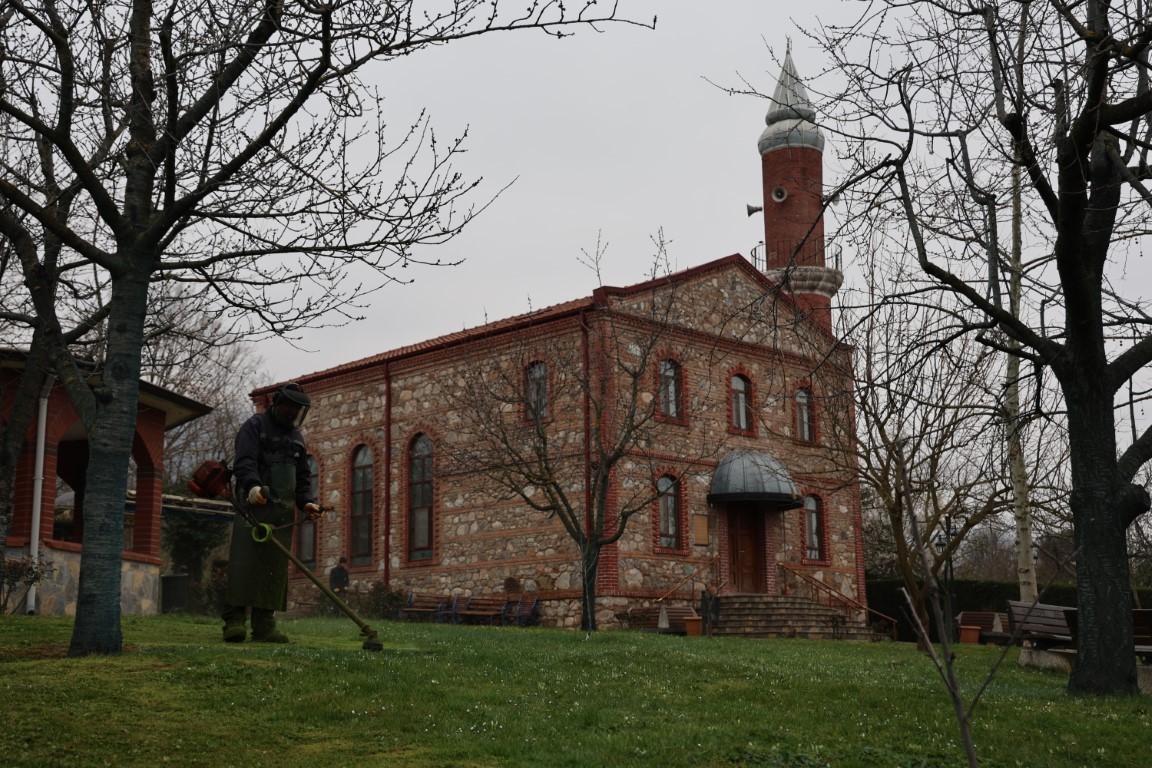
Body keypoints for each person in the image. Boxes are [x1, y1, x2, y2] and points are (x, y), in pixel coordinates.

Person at [222, 382, 321, 643]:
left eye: (297, 409)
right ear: (277, 404)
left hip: (282, 514)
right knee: (244, 564)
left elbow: (303, 478)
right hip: (253, 508)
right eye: (289, 406)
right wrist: (253, 487)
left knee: (273, 570)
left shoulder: (297, 438)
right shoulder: (254, 426)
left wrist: (307, 503)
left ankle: (264, 626)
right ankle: (234, 622)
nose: (292, 412)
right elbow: (244, 461)